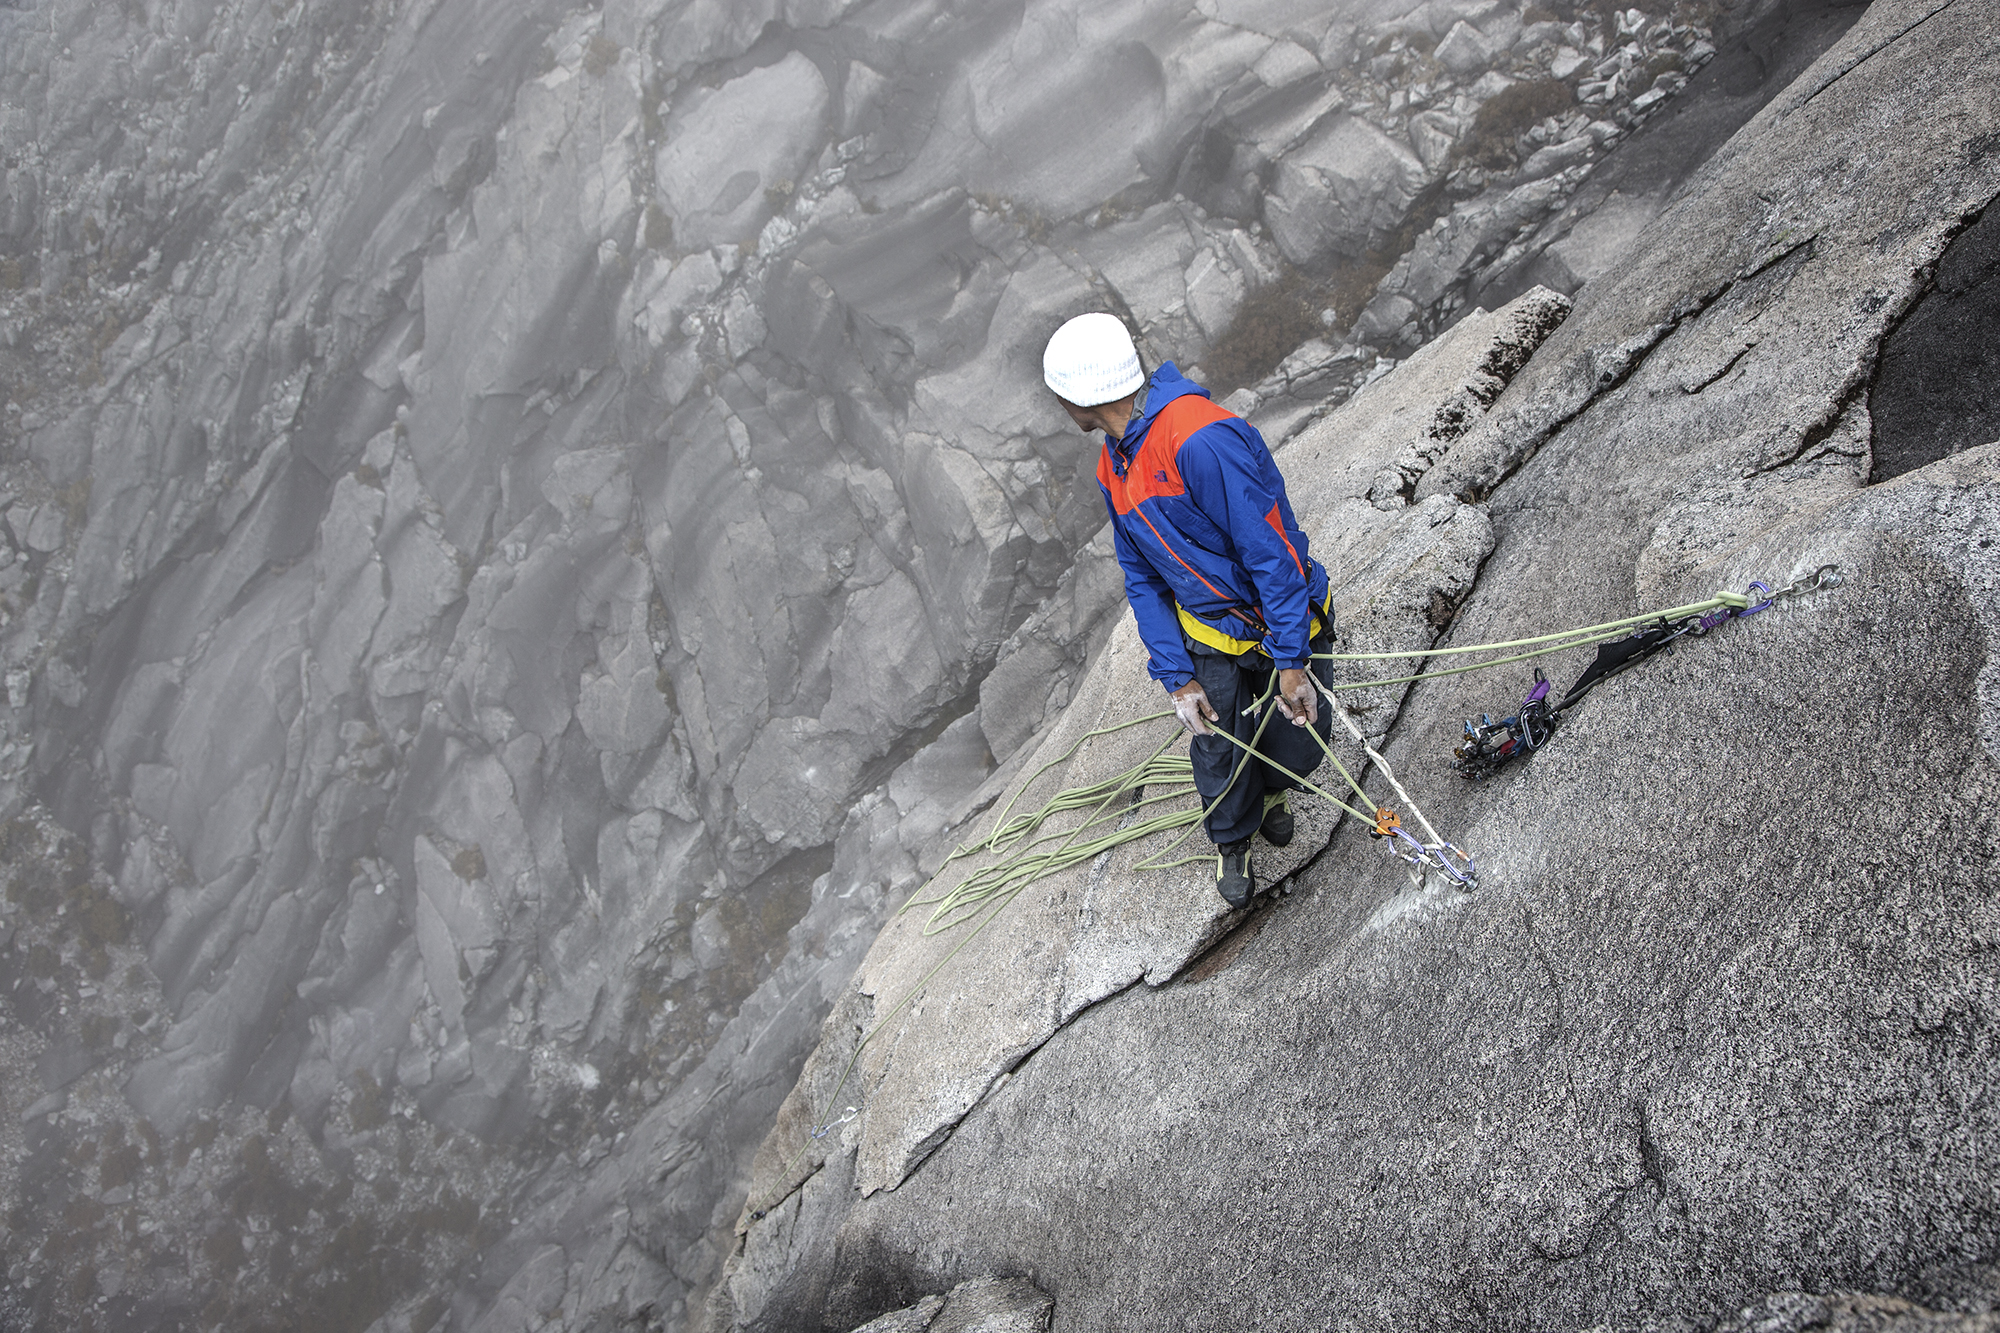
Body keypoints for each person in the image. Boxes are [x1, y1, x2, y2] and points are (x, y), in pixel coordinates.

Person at [1043, 312, 1336, 909]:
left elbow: (1271, 552)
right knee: (1214, 740)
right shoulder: (1115, 462)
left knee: (1292, 727)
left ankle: (1276, 794)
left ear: (1082, 396)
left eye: (1058, 395)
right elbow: (1141, 575)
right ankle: (1233, 838)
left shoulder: (1198, 439)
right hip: (1212, 629)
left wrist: (1290, 659)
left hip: (1278, 616)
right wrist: (1177, 676)